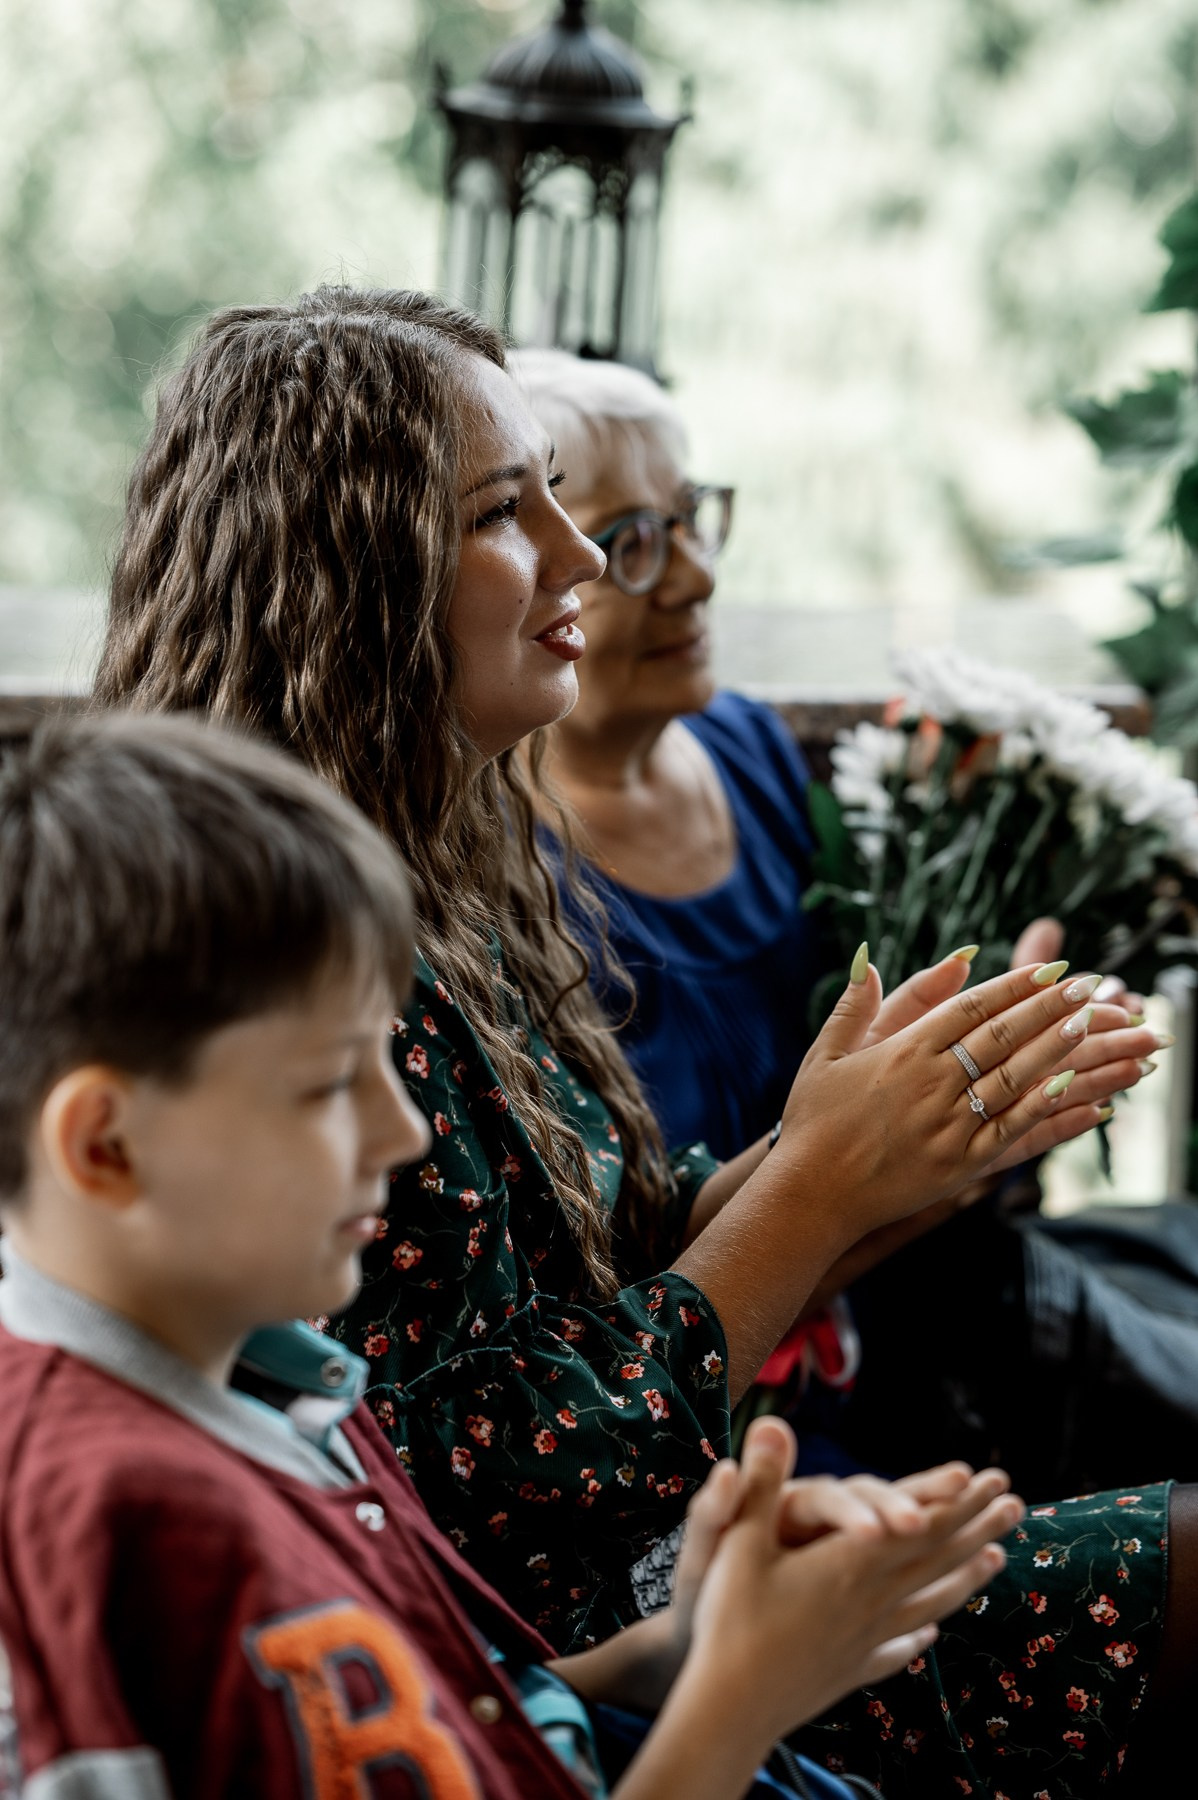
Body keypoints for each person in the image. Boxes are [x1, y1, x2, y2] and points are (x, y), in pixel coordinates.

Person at [93, 288, 1192, 1794]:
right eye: (505, 509)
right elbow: (488, 1502)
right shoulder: (277, 959)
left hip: (665, 1593)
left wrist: (895, 1142)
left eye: (563, 493)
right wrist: (814, 1184)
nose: (581, 554)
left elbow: (609, 1257)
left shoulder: (455, 866)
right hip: (593, 1674)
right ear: (349, 569)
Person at [0, 709, 1030, 1800]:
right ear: (105, 1145)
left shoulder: (287, 1380)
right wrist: (740, 1698)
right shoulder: (94, 1543)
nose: (403, 1135)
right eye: (325, 1086)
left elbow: (458, 1705)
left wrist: (697, 1634)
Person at [512, 345, 1198, 1498]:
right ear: (538, 570)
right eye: (630, 544)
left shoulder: (746, 751)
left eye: (693, 519)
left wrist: (996, 1052)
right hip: (773, 1411)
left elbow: (865, 1042)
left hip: (941, 1290)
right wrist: (937, 1123)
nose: (692, 578)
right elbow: (650, 1271)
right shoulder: (502, 885)